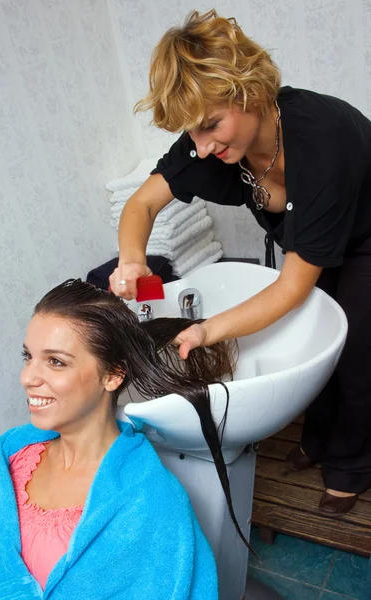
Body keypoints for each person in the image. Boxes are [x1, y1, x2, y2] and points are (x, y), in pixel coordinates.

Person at [109, 9, 371, 515]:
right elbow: (141, 205)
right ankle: (318, 441)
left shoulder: (322, 140)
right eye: (194, 131)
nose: (202, 147)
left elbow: (291, 286)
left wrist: (207, 330)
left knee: (357, 350)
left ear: (248, 90)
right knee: (316, 331)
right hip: (314, 239)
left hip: (368, 234)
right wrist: (133, 260)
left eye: (210, 126)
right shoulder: (211, 146)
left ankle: (352, 465)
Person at [0, 279, 243, 599]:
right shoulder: (15, 459)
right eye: (28, 357)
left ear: (113, 374)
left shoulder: (151, 502)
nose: (28, 377)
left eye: (56, 362)